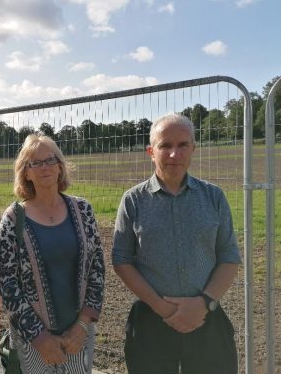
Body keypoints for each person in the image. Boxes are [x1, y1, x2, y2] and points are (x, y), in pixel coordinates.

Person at [112, 113, 241, 374]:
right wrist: (164, 308)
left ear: (193, 148)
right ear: (151, 151)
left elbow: (228, 256)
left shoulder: (214, 197)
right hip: (151, 320)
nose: (174, 154)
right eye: (165, 146)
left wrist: (203, 303)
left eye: (183, 145)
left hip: (206, 315)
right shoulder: (133, 201)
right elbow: (122, 260)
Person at [0, 133, 105, 373]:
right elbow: (7, 284)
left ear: (60, 166)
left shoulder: (83, 210)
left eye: (50, 160)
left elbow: (97, 268)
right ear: (26, 172)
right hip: (32, 340)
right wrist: (39, 337)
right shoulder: (13, 219)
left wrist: (84, 324)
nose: (44, 167)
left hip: (79, 335)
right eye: (35, 163)